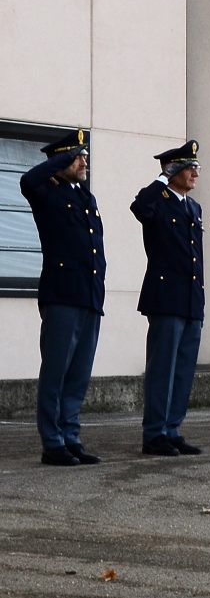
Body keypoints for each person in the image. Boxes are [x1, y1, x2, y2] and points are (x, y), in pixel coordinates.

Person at [21, 130, 105, 467]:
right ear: (61, 161)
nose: (84, 162)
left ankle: (71, 435)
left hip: (88, 294)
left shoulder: (85, 196)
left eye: (84, 157)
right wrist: (60, 160)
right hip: (62, 294)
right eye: (78, 157)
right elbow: (27, 180)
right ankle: (52, 441)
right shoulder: (45, 191)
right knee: (56, 370)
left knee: (79, 373)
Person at [131, 140, 206, 457]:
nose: (194, 174)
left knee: (184, 368)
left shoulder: (193, 207)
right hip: (166, 297)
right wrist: (162, 177)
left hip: (190, 298)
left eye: (195, 168)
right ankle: (154, 433)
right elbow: (138, 208)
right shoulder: (157, 200)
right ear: (172, 169)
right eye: (188, 168)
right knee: (163, 367)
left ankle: (173, 429)